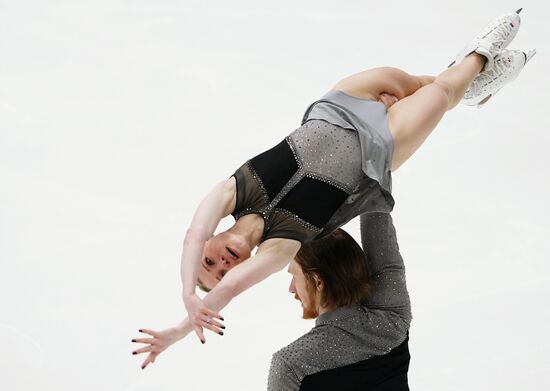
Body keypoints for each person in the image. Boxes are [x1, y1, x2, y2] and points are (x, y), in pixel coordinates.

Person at [131, 10, 535, 369]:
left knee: (416, 83)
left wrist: (189, 293)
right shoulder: (279, 250)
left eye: (210, 261)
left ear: (211, 239)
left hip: (339, 104)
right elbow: (234, 288)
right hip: (381, 147)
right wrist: (183, 328)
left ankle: (473, 82)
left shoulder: (230, 194)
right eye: (223, 272)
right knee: (440, 92)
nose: (224, 264)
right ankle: (479, 57)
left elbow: (190, 234)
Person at [268, 213, 411, 390]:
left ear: (317, 281)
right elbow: (377, 215)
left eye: (294, 277)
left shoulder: (292, 365)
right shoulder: (392, 319)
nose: (291, 288)